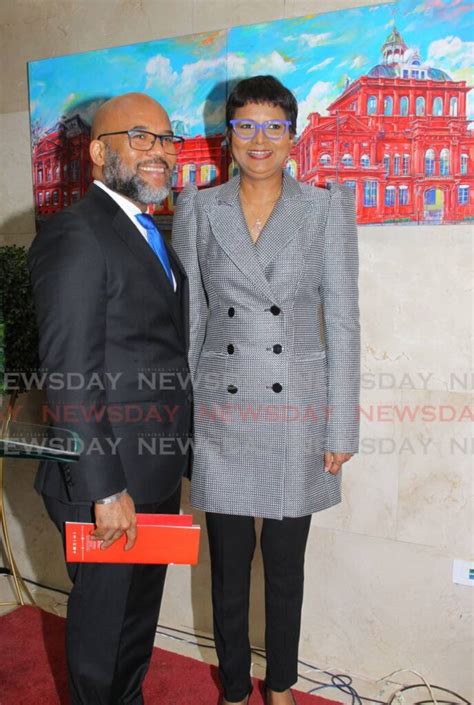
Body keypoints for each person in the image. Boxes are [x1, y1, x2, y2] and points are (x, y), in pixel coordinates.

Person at [172, 75, 360, 705]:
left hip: (297, 414)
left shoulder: (326, 208)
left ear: (292, 134)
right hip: (222, 413)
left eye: (273, 126)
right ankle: (231, 690)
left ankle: (280, 687)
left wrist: (341, 429)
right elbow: (193, 320)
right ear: (228, 135)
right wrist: (188, 422)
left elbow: (345, 323)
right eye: (246, 125)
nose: (260, 139)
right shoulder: (199, 208)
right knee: (227, 571)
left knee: (284, 570)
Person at [28, 92, 191, 705]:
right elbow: (70, 371)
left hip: (150, 470)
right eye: (141, 137)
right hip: (104, 483)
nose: (161, 153)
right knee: (102, 638)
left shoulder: (148, 231)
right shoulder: (76, 234)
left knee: (135, 625)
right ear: (99, 151)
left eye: (167, 140)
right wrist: (105, 489)